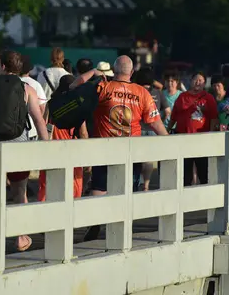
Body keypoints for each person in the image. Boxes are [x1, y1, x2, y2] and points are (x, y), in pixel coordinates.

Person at [71, 56, 168, 241]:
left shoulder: (103, 87)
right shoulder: (143, 93)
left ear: (114, 71)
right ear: (132, 73)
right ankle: (122, 229)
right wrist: (169, 141)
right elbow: (155, 122)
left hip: (105, 148)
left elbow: (74, 87)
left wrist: (94, 72)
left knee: (99, 187)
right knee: (128, 190)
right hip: (131, 150)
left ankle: (96, 222)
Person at [0, 50, 49, 252]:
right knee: (19, 192)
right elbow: (39, 121)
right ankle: (21, 237)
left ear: (2, 66)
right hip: (18, 143)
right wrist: (48, 146)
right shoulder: (26, 89)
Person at [38, 75, 88, 202]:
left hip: (52, 149)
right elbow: (83, 133)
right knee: (74, 183)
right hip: (72, 149)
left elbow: (43, 125)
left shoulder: (51, 104)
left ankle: (43, 210)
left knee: (47, 183)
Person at [169, 72, 218, 187]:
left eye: (201, 80)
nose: (197, 82)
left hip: (201, 139)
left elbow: (214, 118)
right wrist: (166, 132)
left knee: (203, 171)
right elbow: (173, 117)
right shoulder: (182, 97)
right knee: (185, 172)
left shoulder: (208, 98)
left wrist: (210, 135)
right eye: (195, 79)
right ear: (190, 81)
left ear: (205, 83)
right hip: (183, 138)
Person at [133, 67, 169, 191]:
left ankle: (138, 182)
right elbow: (168, 111)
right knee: (149, 160)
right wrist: (161, 121)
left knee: (136, 158)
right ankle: (146, 185)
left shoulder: (135, 91)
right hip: (154, 129)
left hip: (138, 128)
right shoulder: (157, 92)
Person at [19, 55, 47, 141]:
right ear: (30, 70)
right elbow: (42, 109)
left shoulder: (12, 82)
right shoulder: (35, 84)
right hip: (31, 130)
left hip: (14, 130)